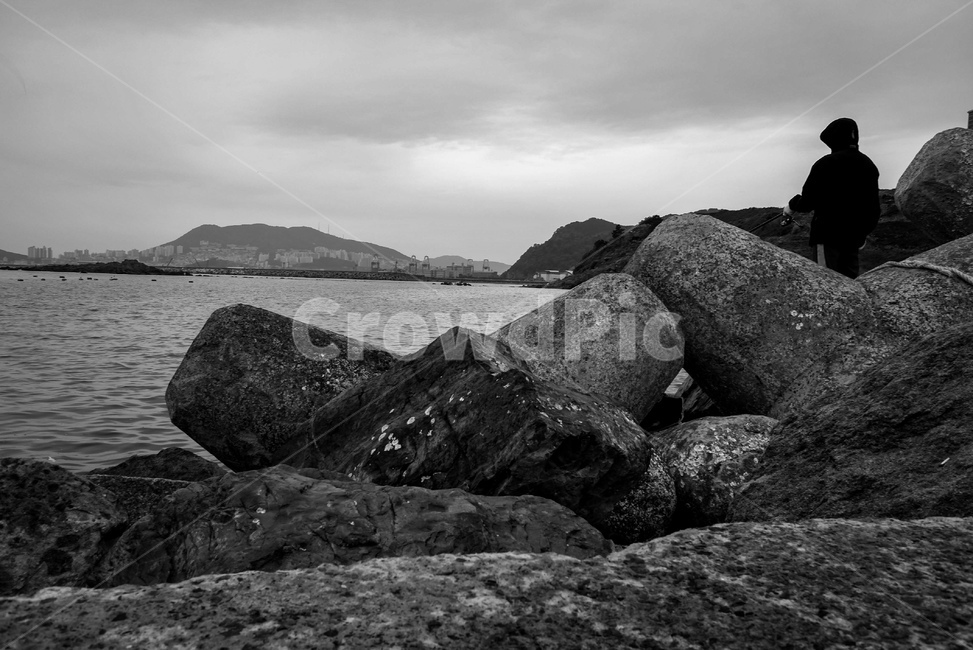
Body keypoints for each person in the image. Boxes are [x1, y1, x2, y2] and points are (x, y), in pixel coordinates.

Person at [784, 117, 880, 279]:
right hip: (853, 239)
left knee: (826, 284)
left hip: (827, 237)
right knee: (851, 285)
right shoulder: (868, 165)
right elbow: (873, 207)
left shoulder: (826, 163)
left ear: (832, 139)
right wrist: (863, 233)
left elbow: (807, 202)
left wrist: (791, 206)